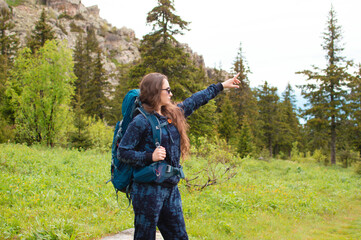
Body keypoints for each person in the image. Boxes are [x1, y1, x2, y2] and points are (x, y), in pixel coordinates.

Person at [117, 72, 240, 240]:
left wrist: (221, 86)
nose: (171, 93)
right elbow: (123, 151)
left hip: (170, 189)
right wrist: (149, 156)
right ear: (155, 92)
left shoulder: (172, 114)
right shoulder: (141, 121)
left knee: (179, 236)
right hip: (147, 191)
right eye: (167, 90)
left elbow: (195, 100)